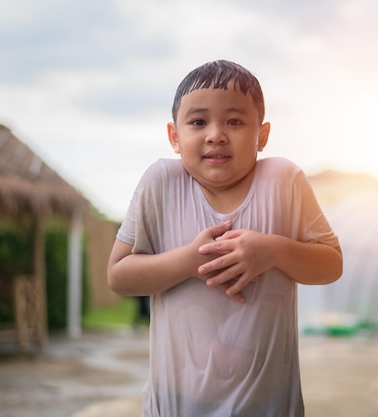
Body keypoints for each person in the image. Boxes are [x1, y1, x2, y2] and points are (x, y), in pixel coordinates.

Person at [107, 59, 342, 416]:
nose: (216, 134)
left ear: (262, 135)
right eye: (198, 122)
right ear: (174, 136)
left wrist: (272, 250)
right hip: (176, 406)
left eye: (234, 121)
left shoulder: (282, 181)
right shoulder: (162, 184)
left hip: (268, 406)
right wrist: (188, 261)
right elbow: (119, 276)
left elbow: (331, 264)